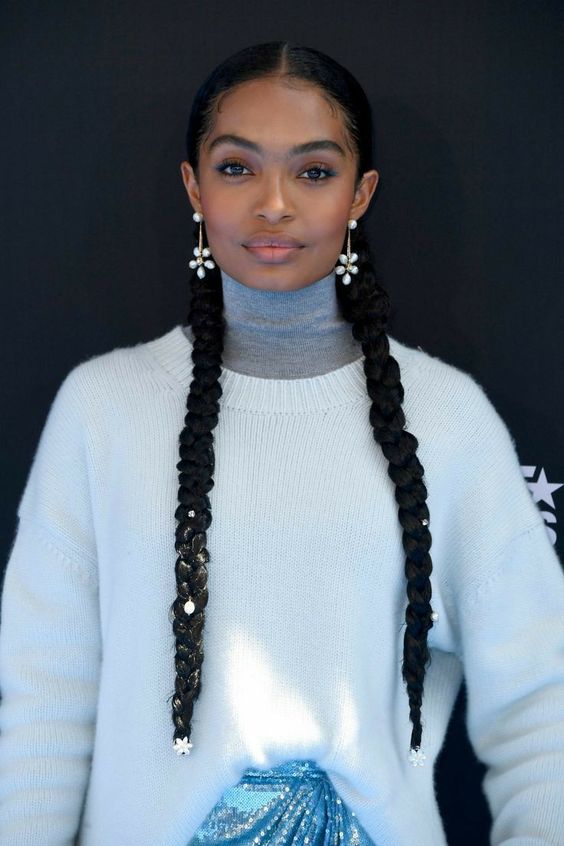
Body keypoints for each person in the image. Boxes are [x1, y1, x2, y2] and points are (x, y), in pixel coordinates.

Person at [1, 40, 563, 846]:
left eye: (313, 171)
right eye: (237, 168)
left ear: (361, 192)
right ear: (193, 185)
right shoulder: (103, 410)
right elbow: (45, 705)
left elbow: (542, 702)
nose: (273, 204)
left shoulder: (447, 418)